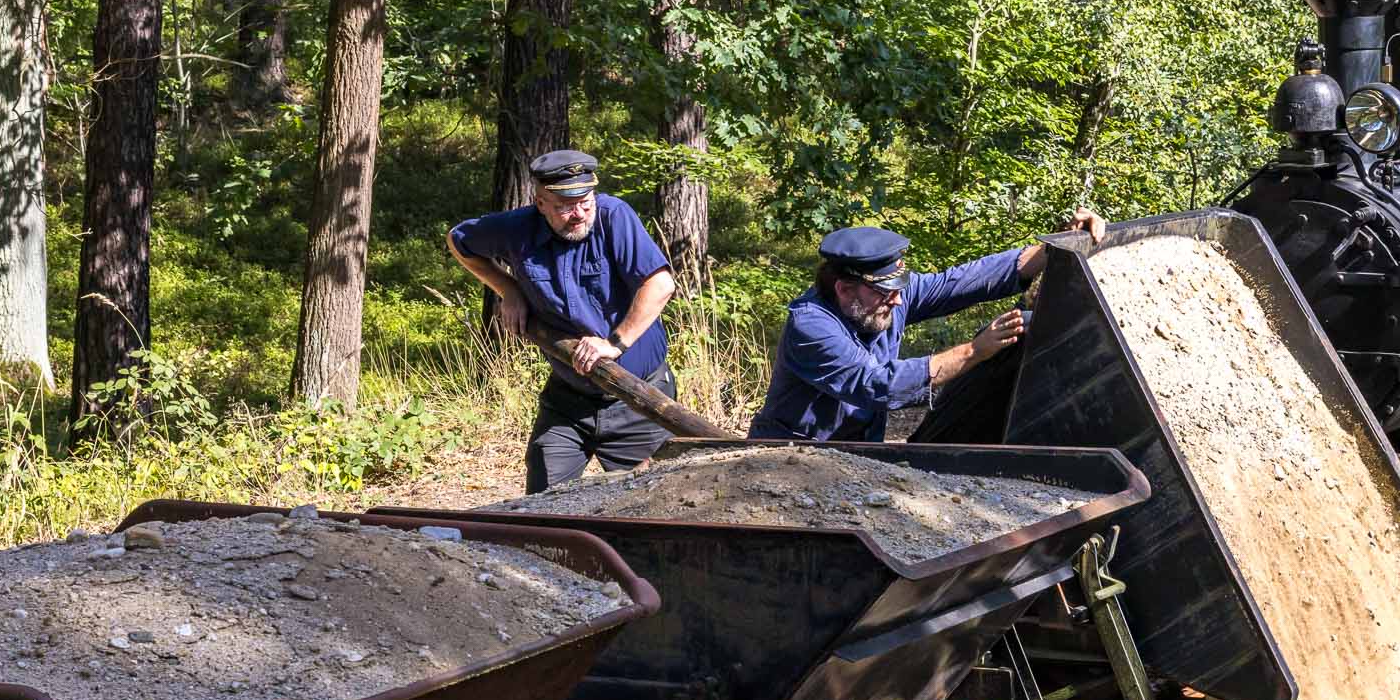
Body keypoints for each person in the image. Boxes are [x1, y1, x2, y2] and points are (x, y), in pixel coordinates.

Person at [751, 211, 1105, 441]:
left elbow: (963, 282)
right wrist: (974, 351)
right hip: (788, 459)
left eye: (899, 290)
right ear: (844, 288)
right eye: (886, 293)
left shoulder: (882, 301)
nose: (898, 301)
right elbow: (878, 386)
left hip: (856, 457)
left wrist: (1053, 249)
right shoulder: (811, 327)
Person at [450, 148, 680, 491]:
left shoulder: (614, 218)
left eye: (585, 202)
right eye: (564, 206)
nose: (578, 214)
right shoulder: (517, 230)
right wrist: (507, 287)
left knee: (650, 506)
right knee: (542, 502)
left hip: (639, 400)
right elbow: (459, 240)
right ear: (540, 202)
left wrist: (614, 343)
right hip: (568, 400)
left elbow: (661, 284)